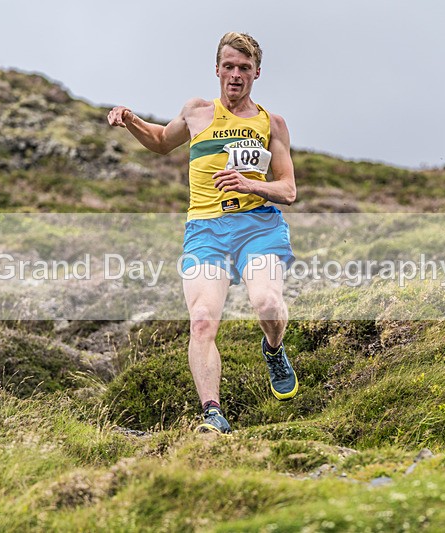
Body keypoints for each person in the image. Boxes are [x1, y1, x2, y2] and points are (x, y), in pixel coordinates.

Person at [107, 32, 298, 434]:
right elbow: (161, 142)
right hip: (206, 230)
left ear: (257, 73)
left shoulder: (272, 124)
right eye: (229, 66)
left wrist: (251, 185)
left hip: (258, 227)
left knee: (267, 305)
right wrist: (131, 120)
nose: (235, 75)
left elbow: (288, 190)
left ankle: (274, 349)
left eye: (244, 68)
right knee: (201, 321)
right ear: (217, 69)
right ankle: (212, 414)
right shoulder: (196, 112)